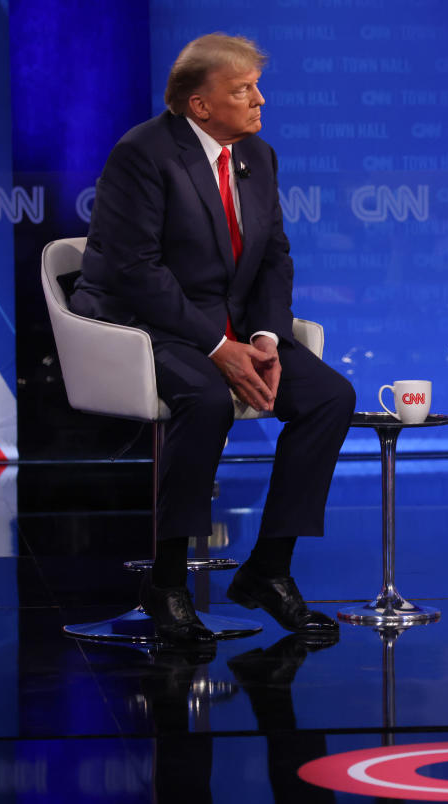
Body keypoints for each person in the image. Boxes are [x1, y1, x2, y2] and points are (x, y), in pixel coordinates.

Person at [70, 33, 355, 645]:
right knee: (202, 399)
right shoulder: (142, 154)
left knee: (330, 396)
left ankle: (268, 570)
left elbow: (274, 257)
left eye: (256, 86)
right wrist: (217, 347)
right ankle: (166, 583)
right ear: (200, 105)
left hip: (233, 327)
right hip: (148, 326)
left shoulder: (258, 156)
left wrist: (266, 337)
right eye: (243, 90)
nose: (260, 100)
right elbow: (135, 271)